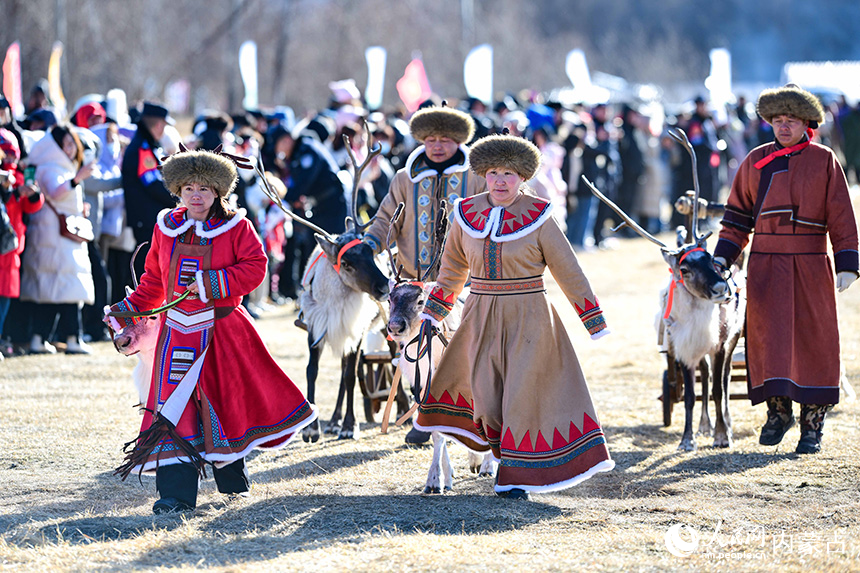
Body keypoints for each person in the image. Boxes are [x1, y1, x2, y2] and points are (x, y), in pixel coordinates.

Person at [105, 148, 317, 514]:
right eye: (188, 187)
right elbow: (155, 280)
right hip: (176, 334)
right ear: (177, 191)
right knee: (173, 408)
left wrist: (211, 282)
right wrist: (128, 310)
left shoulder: (237, 226)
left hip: (223, 328)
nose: (196, 194)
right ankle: (175, 495)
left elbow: (255, 268)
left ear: (219, 190)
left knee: (223, 403)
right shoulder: (165, 227)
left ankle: (232, 477)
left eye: (204, 187)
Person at [413, 132, 615, 499]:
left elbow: (568, 270)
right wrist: (433, 313)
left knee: (521, 397)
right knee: (486, 399)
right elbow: (452, 268)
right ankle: (501, 456)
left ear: (523, 177)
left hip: (530, 317)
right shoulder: (466, 213)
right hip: (478, 315)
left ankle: (516, 476)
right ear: (483, 175)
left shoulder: (540, 216)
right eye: (492, 173)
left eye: (508, 173)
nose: (500, 181)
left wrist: (593, 320)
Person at [713, 84, 859, 454]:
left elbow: (842, 215)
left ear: (806, 123)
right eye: (777, 120)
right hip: (765, 265)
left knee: (815, 341)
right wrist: (722, 257)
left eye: (790, 120)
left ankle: (812, 427)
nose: (782, 127)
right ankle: (778, 414)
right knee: (769, 340)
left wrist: (847, 262)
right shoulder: (755, 161)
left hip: (811, 264)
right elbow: (736, 218)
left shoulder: (824, 160)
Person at [362, 103, 486, 444]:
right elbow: (386, 217)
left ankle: (466, 415)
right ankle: (425, 414)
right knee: (417, 354)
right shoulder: (405, 179)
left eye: (445, 139)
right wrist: (368, 244)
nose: (437, 145)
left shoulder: (475, 176)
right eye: (430, 138)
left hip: (464, 280)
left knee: (461, 349)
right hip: (413, 283)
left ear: (458, 141)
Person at [19, 124, 95, 354]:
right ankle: (71, 338)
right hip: (56, 238)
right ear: (56, 145)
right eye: (67, 144)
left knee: (53, 290)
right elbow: (55, 191)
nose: (72, 149)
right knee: (68, 288)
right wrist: (76, 180)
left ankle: (41, 338)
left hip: (55, 235)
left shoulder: (54, 165)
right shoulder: (52, 167)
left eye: (73, 144)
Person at [121, 102, 177, 280]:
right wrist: (178, 198)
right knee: (145, 270)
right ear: (159, 125)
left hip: (148, 218)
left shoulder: (147, 145)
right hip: (144, 220)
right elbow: (152, 184)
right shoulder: (141, 148)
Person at [0, 129, 43, 355]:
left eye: (13, 154)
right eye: (6, 154)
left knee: (7, 295)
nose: (10, 160)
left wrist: (32, 194)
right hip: (5, 242)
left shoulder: (18, 175)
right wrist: (16, 193)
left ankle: (3, 337)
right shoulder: (6, 180)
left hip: (13, 245)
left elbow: (32, 207)